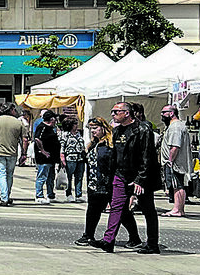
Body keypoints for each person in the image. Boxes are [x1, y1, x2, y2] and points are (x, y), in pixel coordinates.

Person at [98, 101, 160, 253]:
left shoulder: (143, 130)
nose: (113, 114)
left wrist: (141, 179)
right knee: (116, 207)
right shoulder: (117, 131)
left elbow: (147, 157)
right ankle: (108, 240)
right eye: (112, 111)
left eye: (116, 111)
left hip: (139, 176)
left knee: (148, 210)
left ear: (127, 113)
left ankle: (152, 244)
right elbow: (115, 155)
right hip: (121, 175)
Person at [75, 117, 137, 248]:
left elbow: (115, 164)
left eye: (95, 128)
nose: (93, 131)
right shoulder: (93, 144)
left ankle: (134, 237)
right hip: (94, 183)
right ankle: (88, 235)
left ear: (104, 128)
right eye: (91, 128)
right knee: (92, 210)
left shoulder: (111, 145)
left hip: (109, 183)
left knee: (123, 212)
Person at [0, 102, 25, 205]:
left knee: (1, 174)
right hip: (12, 152)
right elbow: (24, 139)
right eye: (14, 109)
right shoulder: (18, 122)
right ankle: (6, 195)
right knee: (9, 175)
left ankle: (4, 197)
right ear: (11, 110)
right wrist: (24, 153)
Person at [161, 105, 191, 217]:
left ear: (172, 113)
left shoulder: (175, 127)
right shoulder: (175, 126)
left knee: (177, 185)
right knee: (177, 184)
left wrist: (170, 160)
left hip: (175, 162)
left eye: (164, 112)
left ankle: (177, 209)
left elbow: (175, 146)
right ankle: (179, 209)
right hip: (175, 162)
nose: (162, 115)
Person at [32, 112, 60, 204]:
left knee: (51, 176)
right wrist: (43, 151)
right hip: (44, 157)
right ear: (51, 119)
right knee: (42, 176)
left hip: (52, 157)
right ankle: (39, 195)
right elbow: (37, 139)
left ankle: (50, 194)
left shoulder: (52, 128)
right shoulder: (42, 127)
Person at [57, 115, 86, 204]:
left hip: (80, 158)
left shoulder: (78, 134)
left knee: (79, 177)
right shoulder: (65, 134)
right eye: (74, 124)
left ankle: (78, 194)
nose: (76, 125)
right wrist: (62, 158)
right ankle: (68, 194)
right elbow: (62, 146)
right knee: (68, 178)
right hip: (70, 158)